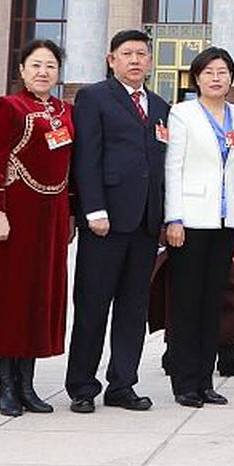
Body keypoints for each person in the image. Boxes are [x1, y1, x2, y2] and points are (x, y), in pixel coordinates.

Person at [67, 28, 169, 413]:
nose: (136, 60)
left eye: (142, 54)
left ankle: (122, 383)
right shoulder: (94, 97)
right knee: (93, 304)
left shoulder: (159, 105)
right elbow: (86, 157)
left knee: (133, 308)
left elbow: (160, 163)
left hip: (144, 222)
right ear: (112, 59)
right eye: (127, 54)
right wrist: (93, 209)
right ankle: (82, 385)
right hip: (105, 221)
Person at [0, 39, 73, 416]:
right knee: (10, 298)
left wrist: (72, 214)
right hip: (15, 215)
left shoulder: (66, 111)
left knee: (38, 297)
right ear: (22, 70)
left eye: (50, 66)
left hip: (52, 214)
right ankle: (7, 385)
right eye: (36, 65)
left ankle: (28, 384)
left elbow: (70, 167)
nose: (43, 72)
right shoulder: (8, 107)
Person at [161, 47, 234, 408]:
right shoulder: (182, 114)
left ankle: (205, 379)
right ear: (196, 78)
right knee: (186, 303)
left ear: (231, 78)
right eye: (209, 72)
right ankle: (184, 383)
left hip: (226, 221)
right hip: (191, 220)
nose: (217, 78)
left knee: (214, 303)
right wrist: (174, 218)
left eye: (223, 72)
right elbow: (173, 166)